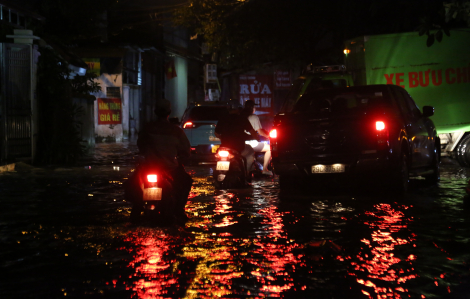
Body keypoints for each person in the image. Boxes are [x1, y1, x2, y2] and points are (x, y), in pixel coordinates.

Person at [132, 99, 193, 222]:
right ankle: (179, 210)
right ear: (169, 112)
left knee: (133, 185)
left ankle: (136, 211)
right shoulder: (176, 131)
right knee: (187, 181)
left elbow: (141, 146)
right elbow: (186, 151)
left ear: (155, 112)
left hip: (148, 168)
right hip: (170, 169)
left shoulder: (147, 129)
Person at [215, 107, 259, 179]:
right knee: (250, 151)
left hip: (224, 146)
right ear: (238, 110)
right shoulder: (242, 119)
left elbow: (216, 133)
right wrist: (257, 138)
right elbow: (252, 131)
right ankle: (247, 173)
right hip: (238, 147)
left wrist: (223, 138)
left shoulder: (223, 119)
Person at [241, 100, 273, 176]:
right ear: (252, 107)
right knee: (270, 148)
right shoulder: (254, 117)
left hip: (242, 143)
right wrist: (268, 136)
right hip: (252, 143)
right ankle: (265, 169)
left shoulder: (241, 116)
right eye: (254, 106)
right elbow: (260, 131)